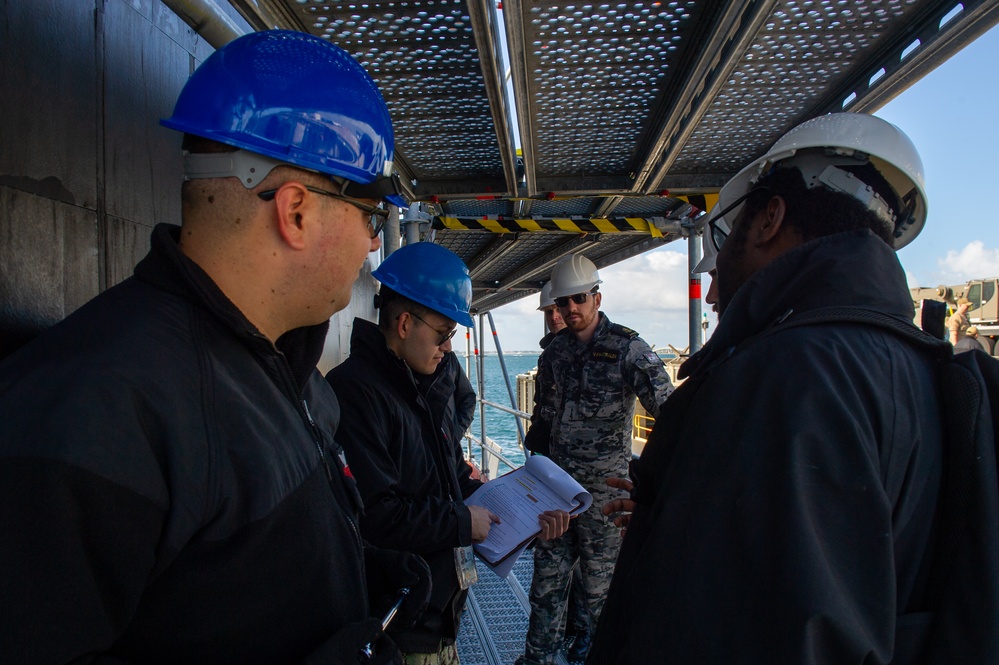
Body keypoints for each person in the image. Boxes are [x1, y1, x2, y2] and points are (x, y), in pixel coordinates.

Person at [0, 30, 432, 664]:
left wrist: (358, 571)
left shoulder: (291, 372)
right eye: (370, 216)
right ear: (297, 212)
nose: (373, 245)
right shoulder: (90, 409)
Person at [589, 112, 952, 664]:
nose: (714, 291)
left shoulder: (781, 375)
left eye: (730, 234)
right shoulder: (928, 371)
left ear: (768, 218)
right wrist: (682, 517)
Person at [326, 242, 571, 664]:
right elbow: (373, 516)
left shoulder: (419, 388)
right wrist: (461, 521)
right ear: (404, 323)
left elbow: (449, 475)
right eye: (443, 334)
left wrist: (519, 511)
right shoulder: (357, 393)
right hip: (401, 629)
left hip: (437, 616)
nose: (448, 348)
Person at [517, 255, 674, 665]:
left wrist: (651, 480)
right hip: (557, 494)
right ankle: (539, 659)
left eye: (580, 299)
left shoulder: (628, 349)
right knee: (546, 585)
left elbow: (672, 416)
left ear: (597, 297)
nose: (571, 309)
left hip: (605, 498)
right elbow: (543, 421)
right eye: (564, 301)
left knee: (601, 593)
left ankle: (598, 656)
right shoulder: (554, 355)